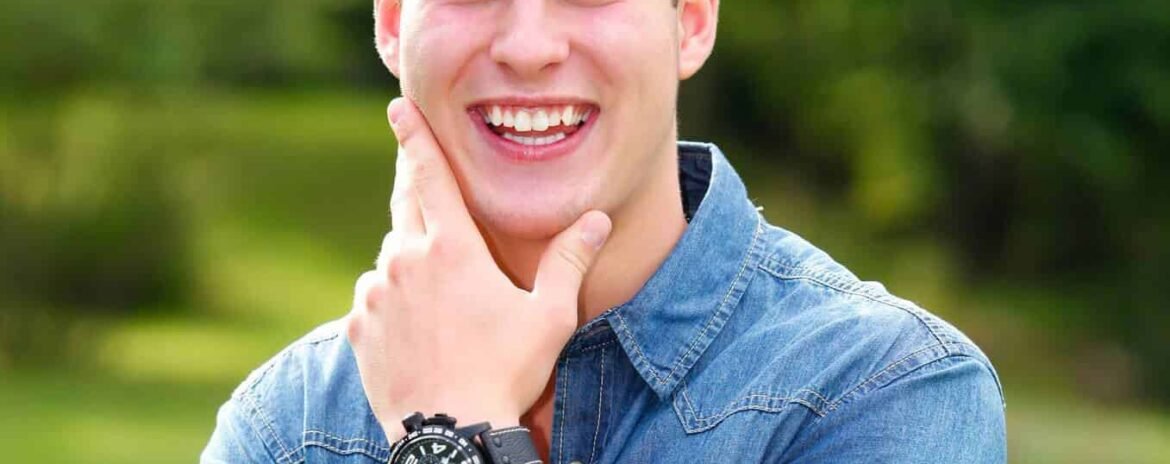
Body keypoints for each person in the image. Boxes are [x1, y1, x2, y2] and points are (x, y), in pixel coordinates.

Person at [202, 0, 1007, 462]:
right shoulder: (287, 427)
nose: (528, 47)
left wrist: (454, 434)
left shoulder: (883, 392)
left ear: (691, 21)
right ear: (390, 23)